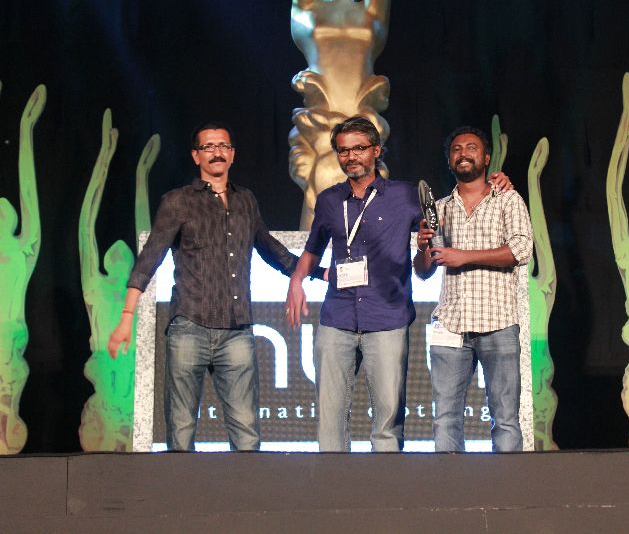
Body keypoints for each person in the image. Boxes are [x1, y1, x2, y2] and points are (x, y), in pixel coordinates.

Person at [286, 116, 512, 452]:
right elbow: (312, 250)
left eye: (359, 148)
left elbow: (442, 225)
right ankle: (333, 481)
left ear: (376, 150)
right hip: (336, 319)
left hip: (388, 318)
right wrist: (296, 280)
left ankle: (386, 483)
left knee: (388, 424)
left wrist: (495, 182)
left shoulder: (406, 195)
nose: (351, 156)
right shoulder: (330, 200)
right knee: (330, 420)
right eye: (344, 151)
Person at [108, 122, 320, 451]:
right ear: (196, 156)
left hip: (237, 331)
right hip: (189, 327)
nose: (217, 152)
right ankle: (181, 486)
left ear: (232, 154)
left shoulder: (246, 200)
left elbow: (271, 250)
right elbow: (149, 259)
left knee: (247, 433)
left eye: (223, 146)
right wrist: (126, 317)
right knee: (181, 430)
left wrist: (318, 273)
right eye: (208, 147)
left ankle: (245, 487)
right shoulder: (178, 201)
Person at [414, 126, 532, 452]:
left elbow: (521, 250)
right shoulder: (439, 208)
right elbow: (423, 271)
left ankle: (506, 483)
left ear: (486, 157)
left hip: (498, 324)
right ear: (449, 160)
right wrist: (423, 247)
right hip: (451, 324)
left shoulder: (507, 199)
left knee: (505, 418)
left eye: (471, 147)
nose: (463, 153)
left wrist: (463, 256)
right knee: (445, 418)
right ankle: (451, 483)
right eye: (456, 149)